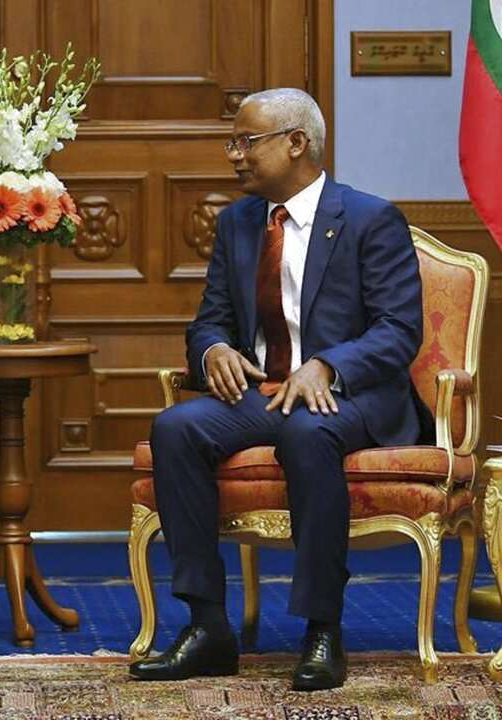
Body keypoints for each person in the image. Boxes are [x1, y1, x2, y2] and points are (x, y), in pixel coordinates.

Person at [128, 88, 428, 691]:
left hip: (354, 396)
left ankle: (323, 629)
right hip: (267, 391)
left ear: (297, 143)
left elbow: (400, 330)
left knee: (308, 431)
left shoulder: (370, 218)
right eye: (232, 142)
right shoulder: (239, 222)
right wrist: (212, 350)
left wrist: (330, 366)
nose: (234, 154)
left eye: (247, 142)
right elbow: (209, 318)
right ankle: (209, 626)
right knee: (176, 428)